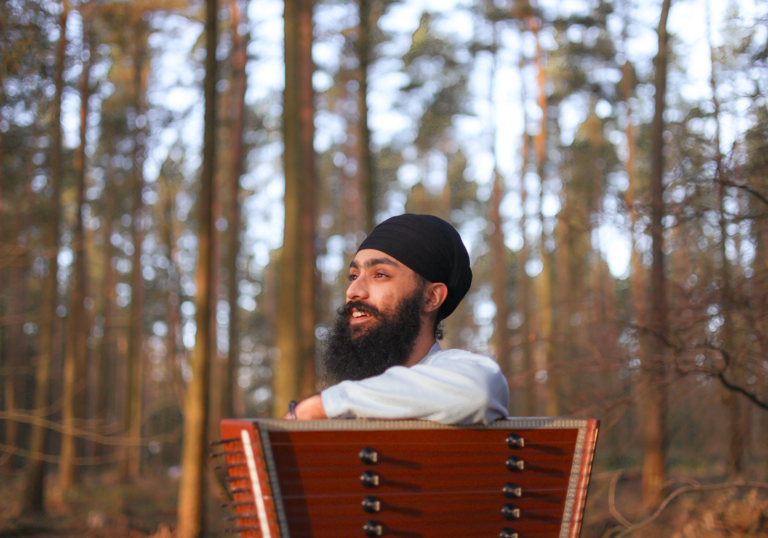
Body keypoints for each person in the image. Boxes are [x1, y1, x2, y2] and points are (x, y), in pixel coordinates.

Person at [284, 213, 509, 424]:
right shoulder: (352, 400)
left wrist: (326, 404)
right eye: (353, 276)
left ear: (431, 297)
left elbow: (479, 390)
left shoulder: (453, 370)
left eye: (380, 274)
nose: (353, 290)